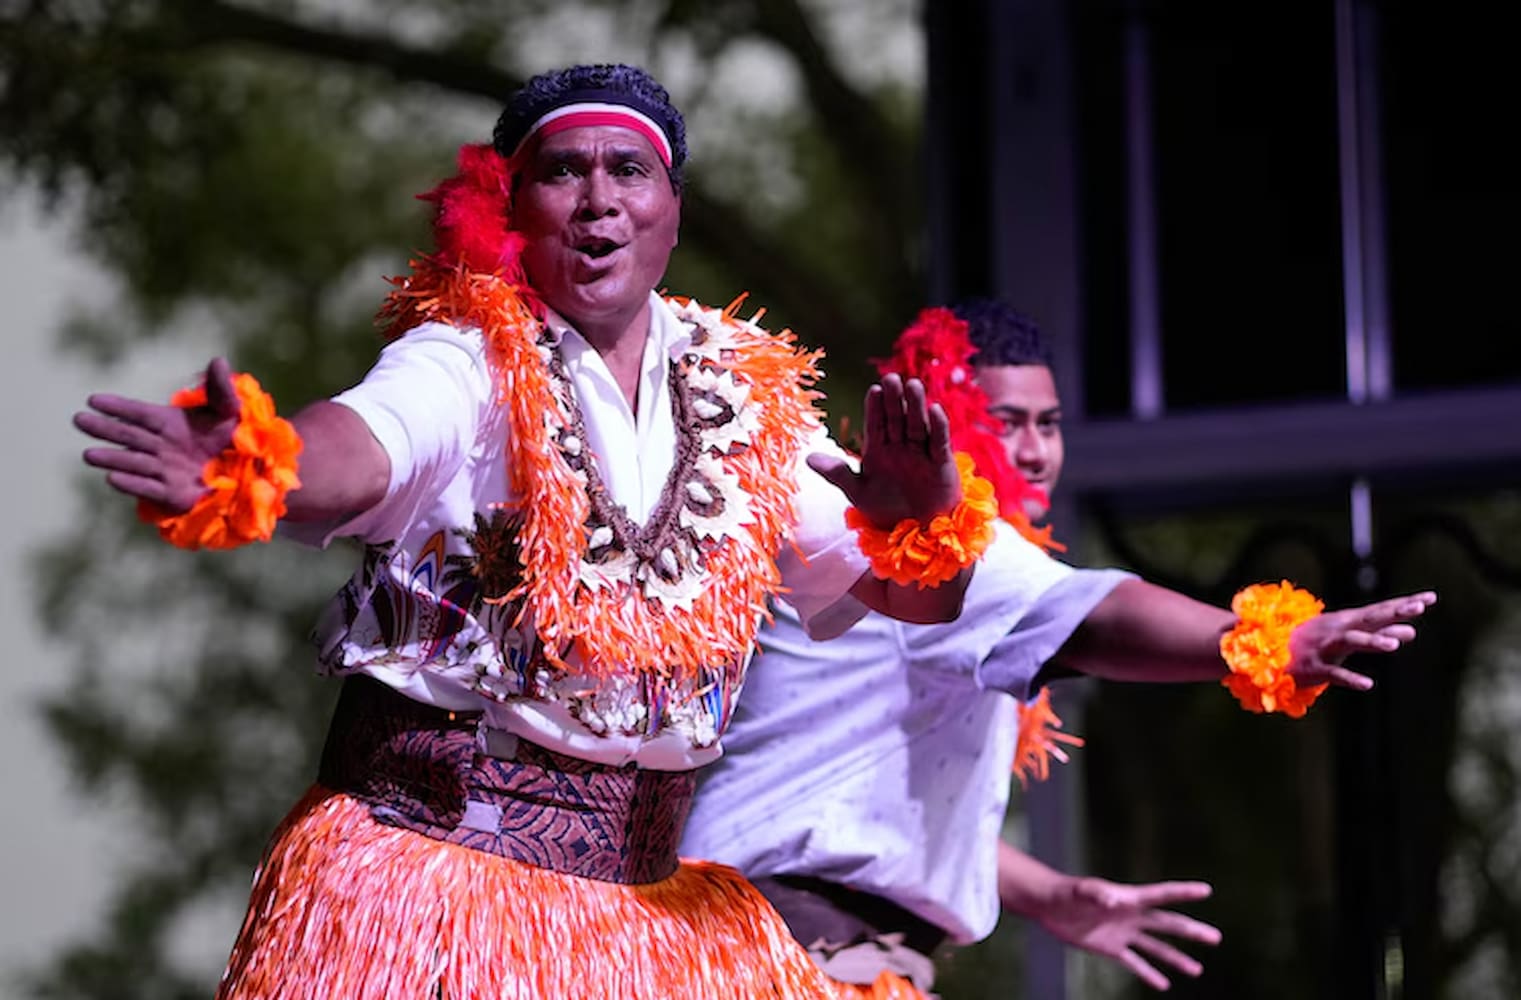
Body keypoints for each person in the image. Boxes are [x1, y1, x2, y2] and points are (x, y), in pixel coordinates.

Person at [72, 64, 990, 999]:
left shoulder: (744, 395)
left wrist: (924, 518)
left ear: (673, 205)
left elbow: (920, 596)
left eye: (629, 170)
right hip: (433, 892)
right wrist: (258, 462)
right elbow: (364, 446)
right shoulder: (466, 357)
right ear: (511, 206)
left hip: (650, 923)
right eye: (563, 172)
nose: (599, 201)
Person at [680, 299, 1437, 998]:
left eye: (1050, 423)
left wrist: (1048, 895)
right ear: (931, 430)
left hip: (804, 945)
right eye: (1009, 421)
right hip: (775, 948)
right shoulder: (920, 547)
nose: (1038, 451)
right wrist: (1263, 641)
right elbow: (1098, 616)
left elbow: (862, 804)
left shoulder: (925, 565)